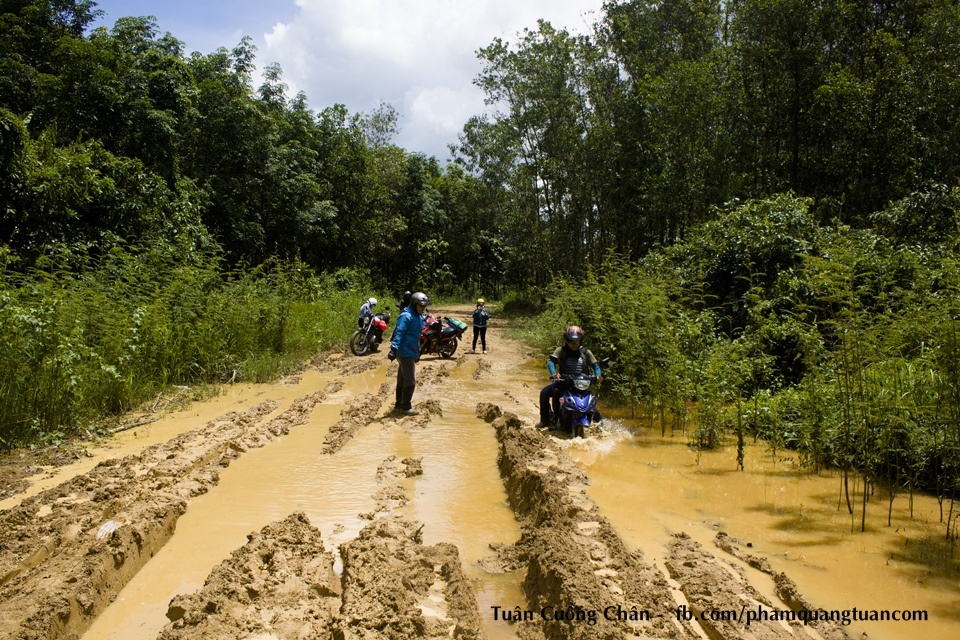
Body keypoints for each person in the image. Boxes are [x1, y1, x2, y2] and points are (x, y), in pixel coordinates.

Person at [538, 325, 603, 427]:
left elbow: (596, 366)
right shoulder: (560, 350)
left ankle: (600, 425)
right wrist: (554, 374)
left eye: (576, 342)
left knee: (591, 400)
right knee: (545, 392)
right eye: (571, 342)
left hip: (581, 384)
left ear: (580, 341)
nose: (574, 344)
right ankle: (547, 420)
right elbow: (551, 362)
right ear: (566, 340)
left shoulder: (586, 352)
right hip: (564, 383)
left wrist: (598, 376)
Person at [389, 291, 429, 415]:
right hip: (404, 351)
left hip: (410, 350)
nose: (423, 308)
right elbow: (399, 332)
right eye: (421, 306)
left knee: (402, 380)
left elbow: (416, 336)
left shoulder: (417, 316)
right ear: (414, 304)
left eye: (424, 306)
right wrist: (394, 349)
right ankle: (405, 407)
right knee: (410, 381)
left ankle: (398, 404)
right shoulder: (407, 316)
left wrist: (417, 353)